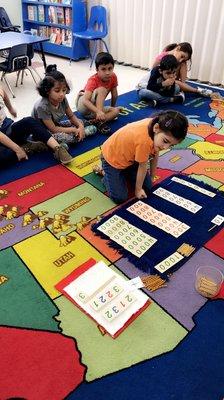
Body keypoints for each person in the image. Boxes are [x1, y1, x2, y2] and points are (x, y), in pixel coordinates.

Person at [93, 110, 188, 204]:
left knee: (148, 187)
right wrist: (138, 190)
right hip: (112, 160)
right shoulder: (145, 141)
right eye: (166, 141)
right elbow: (142, 166)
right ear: (156, 128)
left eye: (171, 145)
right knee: (120, 197)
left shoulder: (158, 127)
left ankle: (121, 174)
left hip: (131, 158)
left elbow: (155, 154)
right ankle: (104, 173)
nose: (166, 147)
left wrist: (152, 176)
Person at [0, 86, 73, 166]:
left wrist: (10, 108)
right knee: (4, 155)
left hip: (8, 129)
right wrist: (17, 150)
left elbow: (3, 93)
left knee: (29, 121)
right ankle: (26, 147)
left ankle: (58, 149)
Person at [32, 68, 96, 145]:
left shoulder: (62, 99)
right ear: (47, 91)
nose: (62, 94)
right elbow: (53, 129)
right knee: (69, 137)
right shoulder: (42, 107)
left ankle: (79, 133)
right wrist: (73, 130)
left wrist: (80, 126)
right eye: (57, 91)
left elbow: (71, 116)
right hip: (44, 132)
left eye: (64, 90)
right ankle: (80, 135)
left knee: (82, 122)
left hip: (56, 124)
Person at [137, 42, 212, 97]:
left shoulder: (181, 63)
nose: (181, 60)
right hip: (160, 80)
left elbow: (179, 80)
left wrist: (173, 81)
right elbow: (154, 73)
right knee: (146, 92)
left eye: (183, 59)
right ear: (178, 48)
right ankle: (197, 91)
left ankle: (181, 89)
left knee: (178, 82)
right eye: (182, 56)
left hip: (172, 81)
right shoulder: (162, 58)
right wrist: (164, 83)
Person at [76, 52, 121, 130]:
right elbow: (85, 101)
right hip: (83, 106)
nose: (107, 72)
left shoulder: (113, 77)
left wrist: (112, 109)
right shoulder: (93, 80)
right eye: (103, 69)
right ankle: (100, 121)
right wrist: (98, 112)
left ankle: (94, 121)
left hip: (95, 109)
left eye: (110, 68)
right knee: (102, 89)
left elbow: (114, 95)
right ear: (97, 70)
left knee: (116, 111)